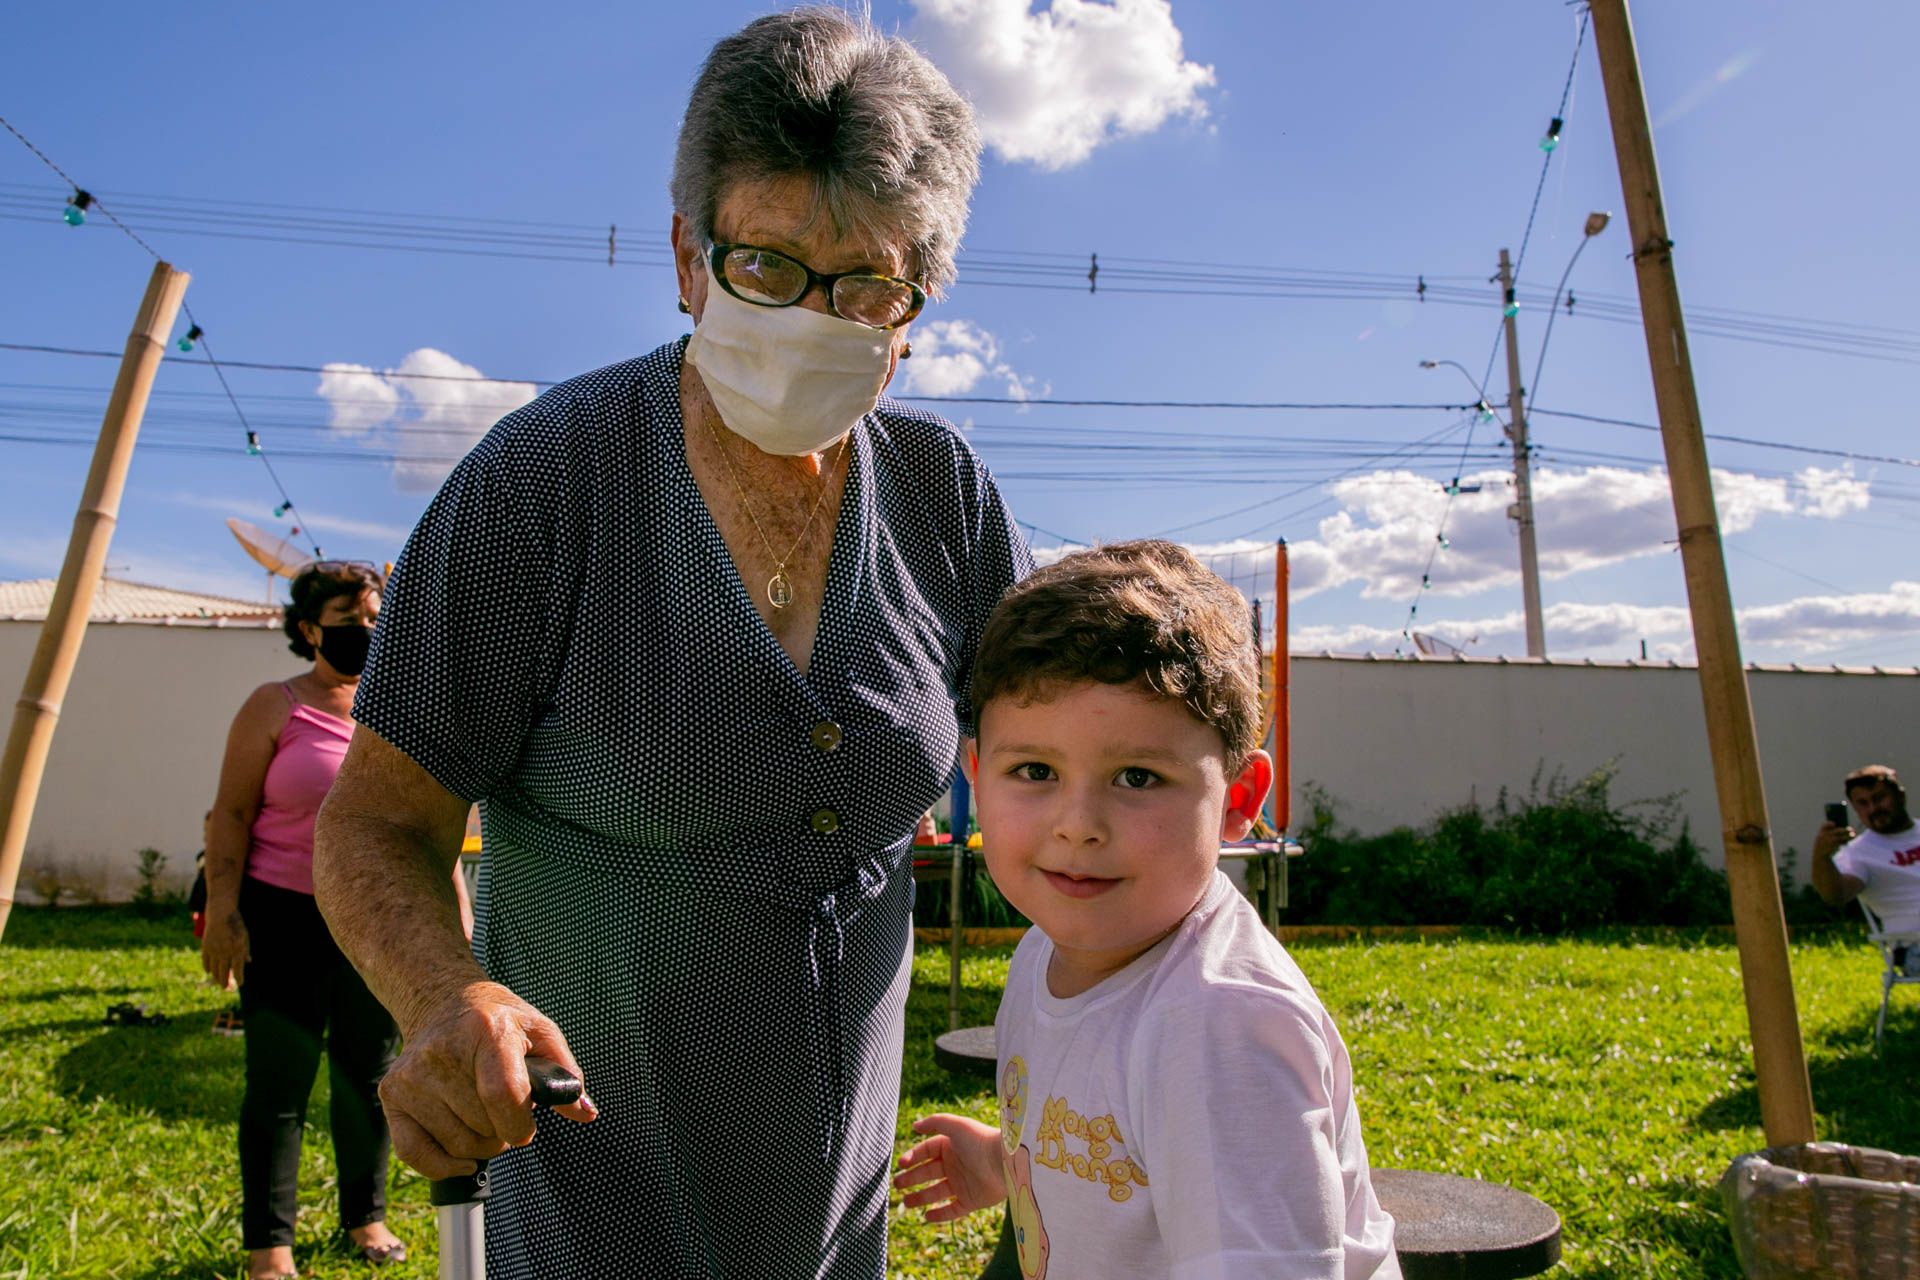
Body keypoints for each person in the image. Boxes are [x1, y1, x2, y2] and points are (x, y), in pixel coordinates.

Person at [311, 10, 1028, 1278]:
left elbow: (1057, 761)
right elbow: (374, 824)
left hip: (838, 1202)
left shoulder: (942, 495)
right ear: (689, 257)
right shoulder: (543, 486)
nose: (812, 316)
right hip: (594, 1198)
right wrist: (444, 994)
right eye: (766, 265)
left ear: (916, 307)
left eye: (863, 281)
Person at [894, 541, 1399, 1278]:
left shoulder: (1221, 1028)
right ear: (976, 775)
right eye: (1034, 770)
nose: (1079, 823)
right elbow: (1120, 1152)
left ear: (1239, 802)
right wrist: (1008, 1166)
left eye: (1137, 776)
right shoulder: (1051, 947)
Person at [203, 562, 467, 1279]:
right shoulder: (274, 706)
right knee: (279, 1084)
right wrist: (221, 913)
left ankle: (366, 1216)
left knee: (369, 1076)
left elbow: (425, 831)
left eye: (377, 618)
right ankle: (270, 1244)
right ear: (309, 628)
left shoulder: (397, 711)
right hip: (281, 920)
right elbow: (229, 815)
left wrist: (457, 930)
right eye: (351, 621)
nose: (368, 632)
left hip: (378, 924)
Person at [1812, 764, 1920, 940]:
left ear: (1900, 796)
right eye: (1863, 803)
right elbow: (1836, 895)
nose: (1873, 809)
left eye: (1880, 798)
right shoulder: (1857, 854)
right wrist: (1821, 856)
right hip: (1913, 943)